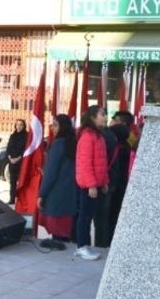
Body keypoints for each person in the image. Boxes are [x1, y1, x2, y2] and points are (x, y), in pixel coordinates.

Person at [38, 114, 78, 250]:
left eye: (55, 125)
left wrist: (41, 193)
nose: (52, 128)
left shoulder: (58, 144)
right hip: (71, 191)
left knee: (57, 231)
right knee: (66, 231)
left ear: (62, 126)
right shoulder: (73, 142)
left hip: (56, 191)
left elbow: (51, 172)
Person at [74, 105, 108, 261]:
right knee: (85, 216)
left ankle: (86, 246)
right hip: (89, 186)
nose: (105, 117)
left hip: (97, 185)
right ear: (93, 117)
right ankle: (82, 246)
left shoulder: (98, 136)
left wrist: (104, 181)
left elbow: (101, 162)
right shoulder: (87, 136)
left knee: (90, 216)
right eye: (102, 114)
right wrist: (91, 185)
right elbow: (85, 163)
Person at [103, 112, 133, 247]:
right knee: (114, 215)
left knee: (108, 215)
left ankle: (107, 242)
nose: (111, 121)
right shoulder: (128, 144)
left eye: (114, 119)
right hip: (122, 184)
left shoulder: (116, 145)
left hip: (113, 184)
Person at [6, 119, 28, 205]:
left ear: (24, 126)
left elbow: (26, 150)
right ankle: (12, 199)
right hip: (12, 162)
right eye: (17, 125)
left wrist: (18, 158)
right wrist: (10, 157)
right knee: (12, 182)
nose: (19, 126)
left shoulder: (26, 136)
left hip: (21, 163)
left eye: (21, 125)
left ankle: (21, 201)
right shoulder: (12, 136)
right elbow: (8, 148)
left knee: (21, 182)